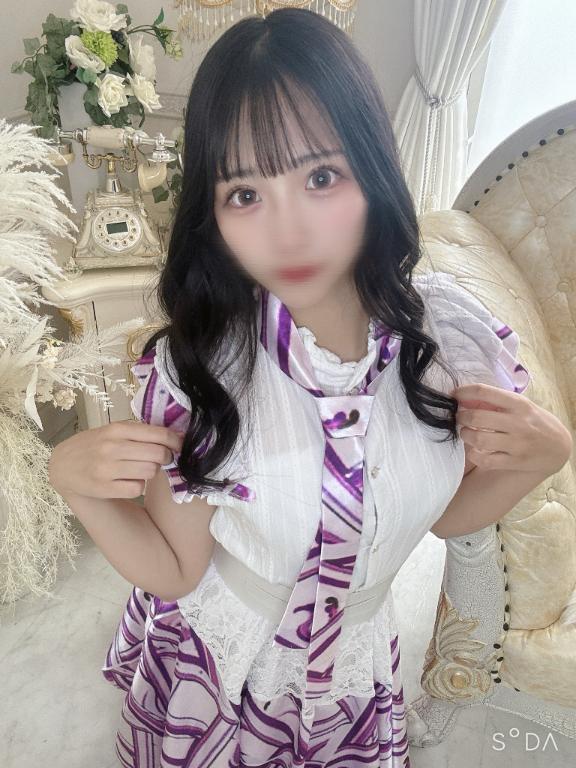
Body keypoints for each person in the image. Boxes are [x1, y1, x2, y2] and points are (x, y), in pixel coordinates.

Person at [48, 7, 571, 768]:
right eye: (245, 194)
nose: (287, 231)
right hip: (228, 672)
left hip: (356, 674)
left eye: (320, 176)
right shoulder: (206, 371)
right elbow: (176, 568)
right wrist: (74, 482)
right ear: (212, 214)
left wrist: (543, 457)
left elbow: (437, 516)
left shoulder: (445, 344)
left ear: (372, 170)